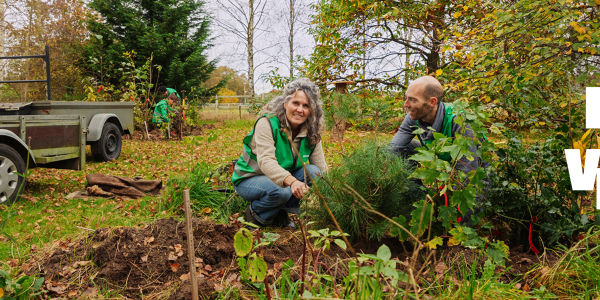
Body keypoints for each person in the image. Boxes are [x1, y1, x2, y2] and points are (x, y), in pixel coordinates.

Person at [388, 76, 490, 225]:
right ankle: (421, 201)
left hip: (475, 173)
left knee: (464, 222)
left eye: (413, 100)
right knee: (405, 149)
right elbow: (392, 149)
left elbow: (467, 172)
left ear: (432, 102)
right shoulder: (413, 116)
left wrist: (448, 206)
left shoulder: (460, 121)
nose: (406, 105)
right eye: (406, 98)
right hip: (444, 162)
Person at [231, 78, 328, 229]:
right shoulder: (268, 123)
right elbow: (266, 162)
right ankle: (255, 215)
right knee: (281, 191)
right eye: (295, 103)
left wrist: (337, 193)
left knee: (315, 173)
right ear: (285, 104)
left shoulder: (311, 132)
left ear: (311, 110)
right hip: (250, 178)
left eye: (306, 106)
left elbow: (322, 169)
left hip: (281, 179)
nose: (300, 110)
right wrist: (293, 182)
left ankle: (277, 211)